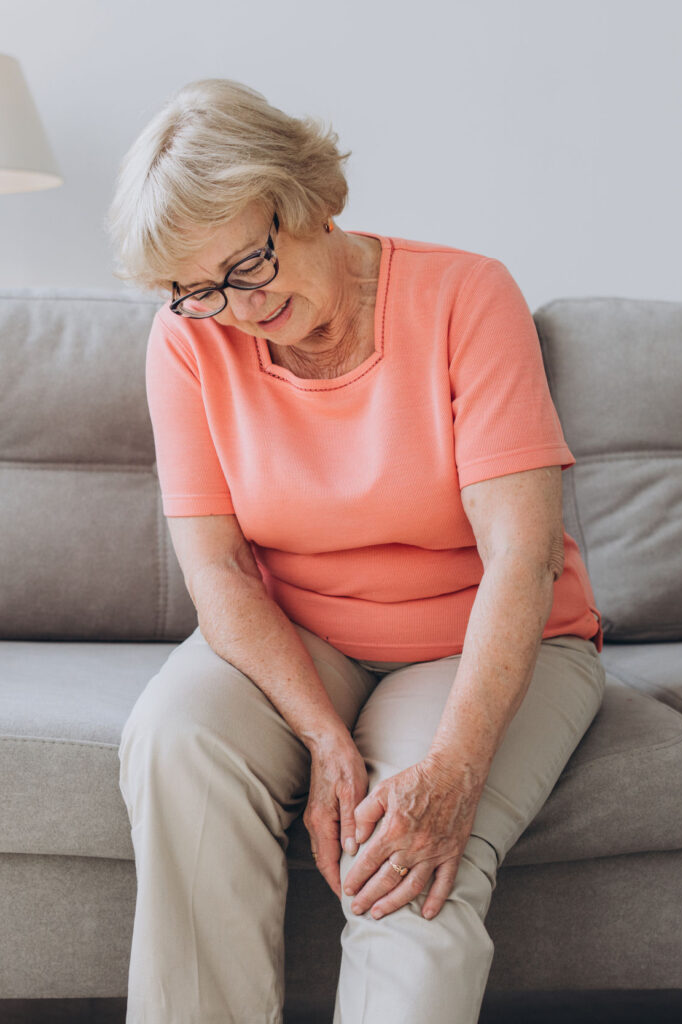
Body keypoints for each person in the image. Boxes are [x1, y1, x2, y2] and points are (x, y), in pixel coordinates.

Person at [107, 77, 606, 1024]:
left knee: (404, 860)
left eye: (248, 265)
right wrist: (320, 735)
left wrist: (451, 771)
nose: (237, 308)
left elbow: (521, 554)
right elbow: (215, 571)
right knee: (176, 740)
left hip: (480, 632)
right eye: (199, 289)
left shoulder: (465, 294)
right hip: (299, 636)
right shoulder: (188, 343)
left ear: (309, 200)